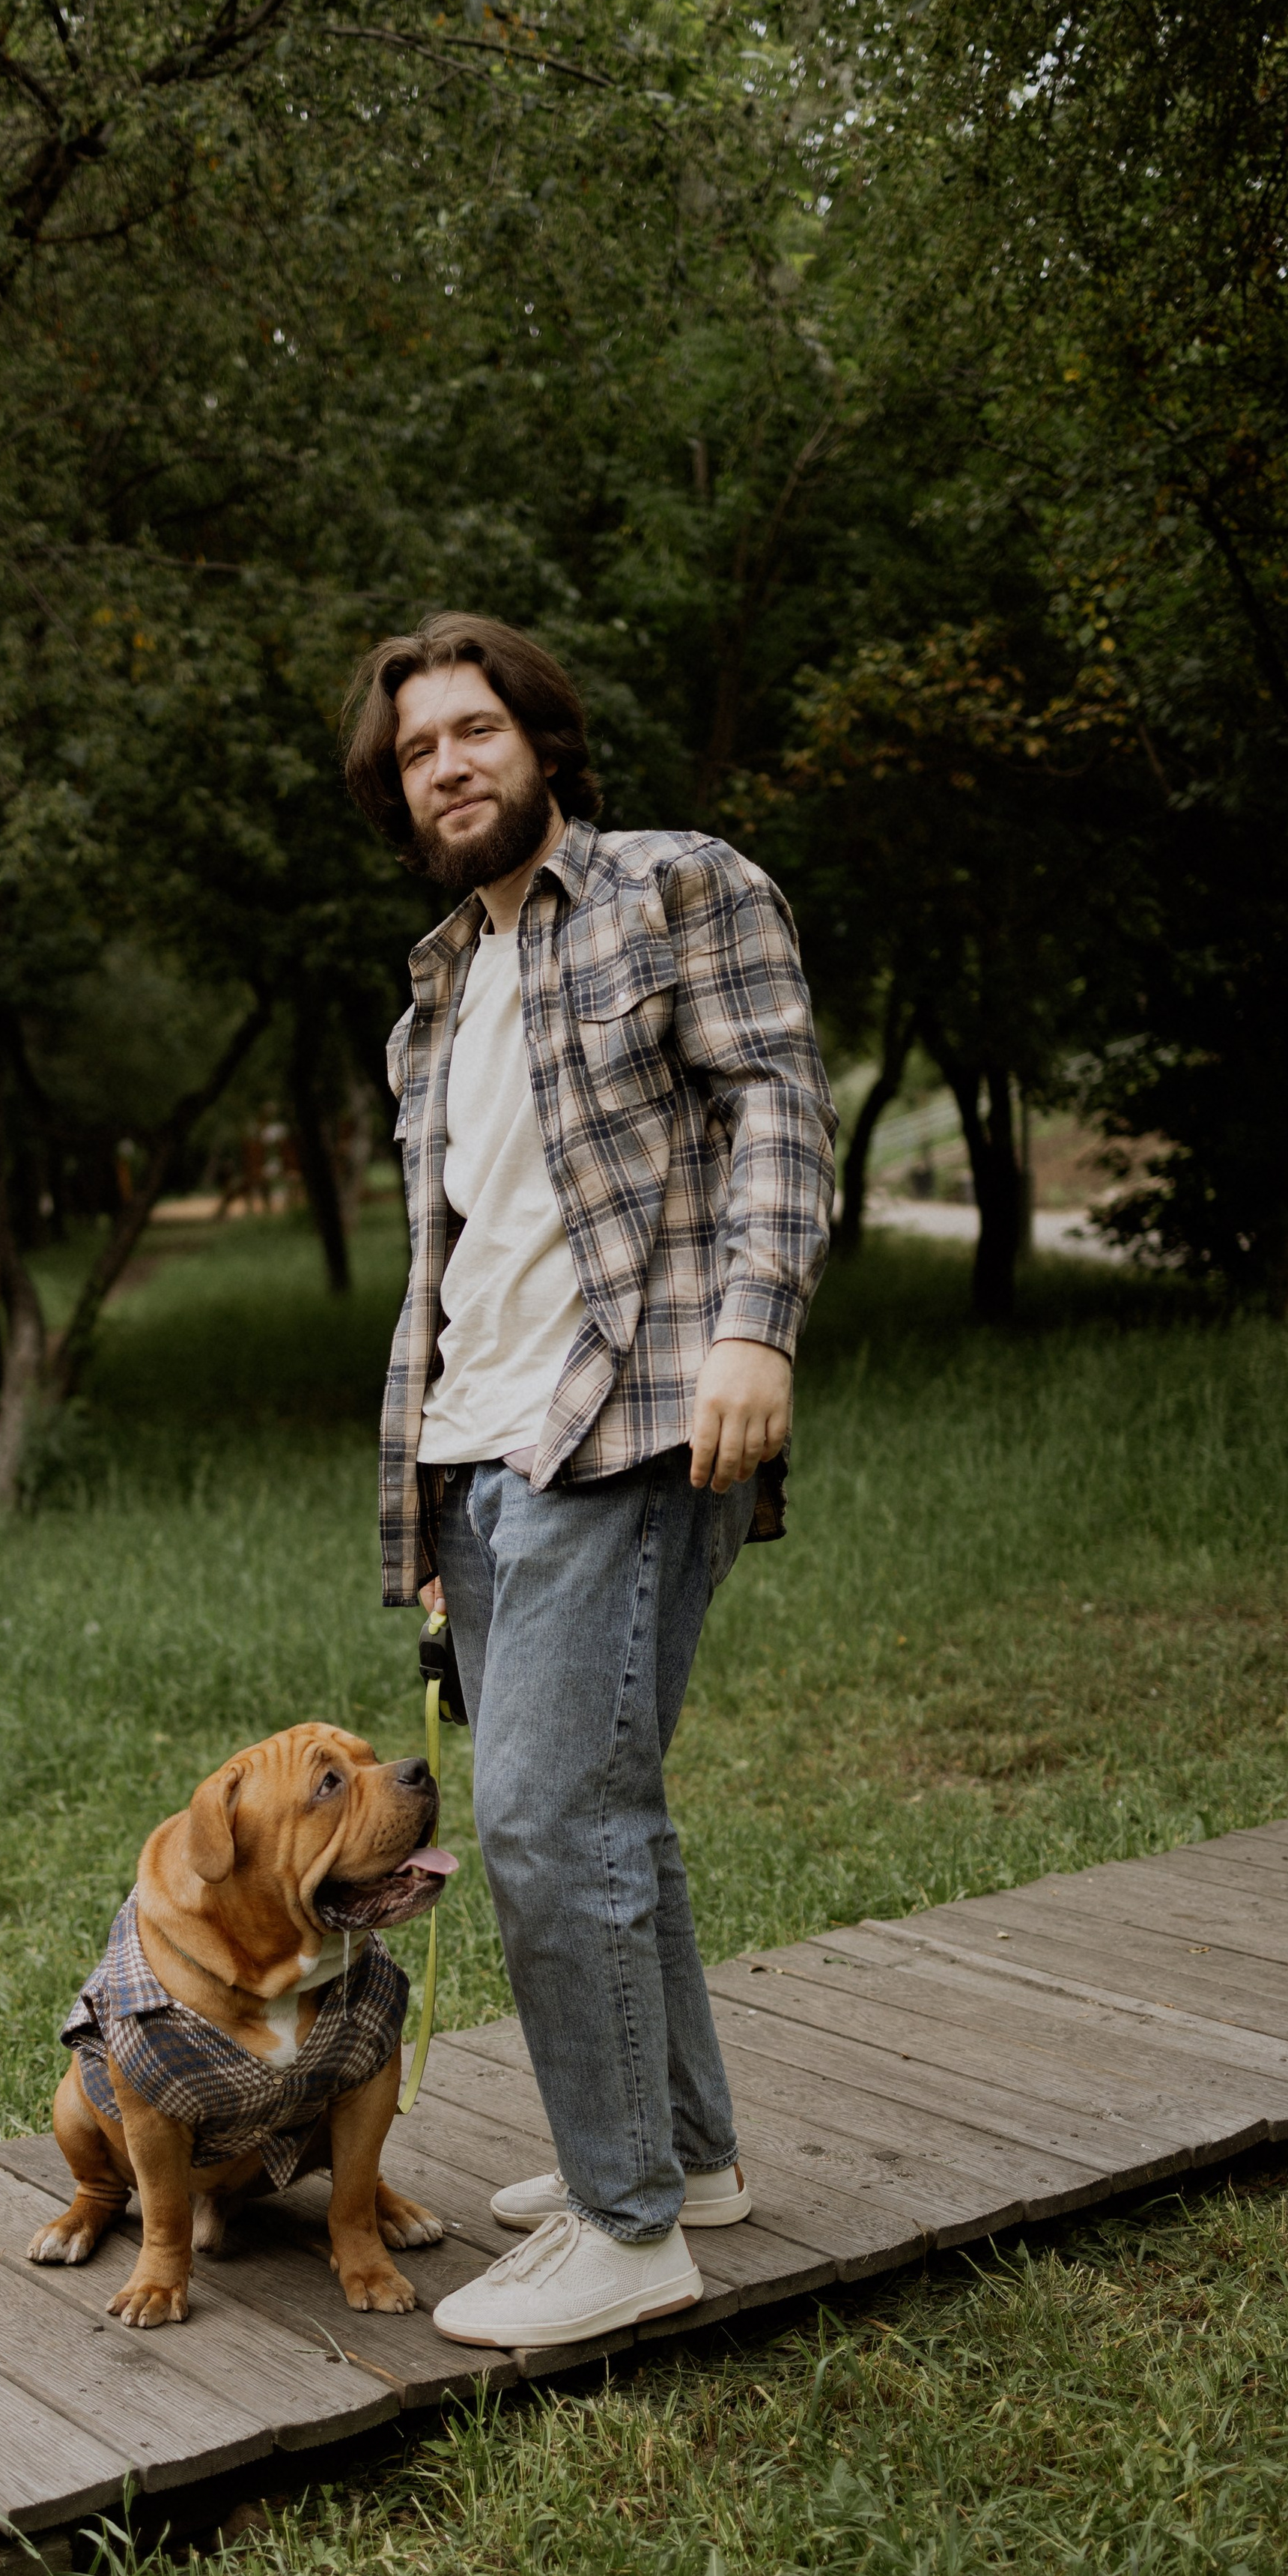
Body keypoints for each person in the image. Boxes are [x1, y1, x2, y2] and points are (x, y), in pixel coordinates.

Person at [343, 612, 836, 2348]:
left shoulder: (674, 885)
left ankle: (625, 2232)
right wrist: (426, 1513)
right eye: (417, 748)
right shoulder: (436, 993)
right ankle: (682, 2157)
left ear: (544, 742)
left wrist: (755, 1331)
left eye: (476, 729)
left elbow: (775, 1099)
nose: (449, 764)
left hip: (631, 1421)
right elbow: (453, 1264)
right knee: (604, 1805)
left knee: (543, 1822)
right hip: (482, 1451)